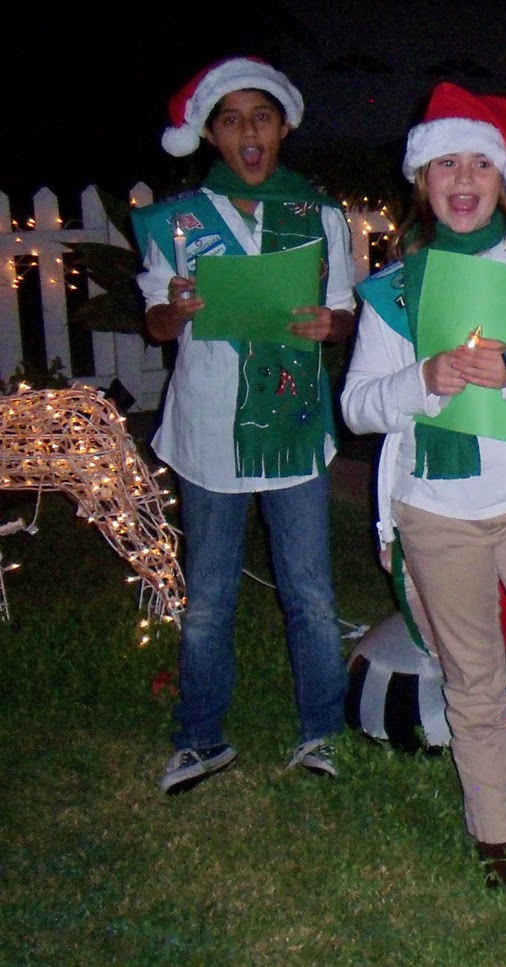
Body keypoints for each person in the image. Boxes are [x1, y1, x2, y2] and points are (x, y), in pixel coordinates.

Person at [340, 83, 506, 887]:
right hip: (436, 510)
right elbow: (357, 408)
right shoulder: (398, 289)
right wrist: (423, 379)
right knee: (472, 675)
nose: (463, 180)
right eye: (444, 165)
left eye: (479, 164)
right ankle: (499, 830)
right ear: (422, 181)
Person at [133, 57, 353, 794]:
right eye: (230, 120)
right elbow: (157, 326)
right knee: (210, 598)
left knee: (311, 593)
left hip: (293, 422)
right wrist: (177, 309)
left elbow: (344, 307)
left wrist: (332, 322)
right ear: (209, 134)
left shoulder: (319, 215)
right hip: (208, 428)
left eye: (260, 116)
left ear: (282, 124)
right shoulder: (179, 221)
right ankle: (200, 737)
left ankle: (323, 731)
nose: (248, 131)